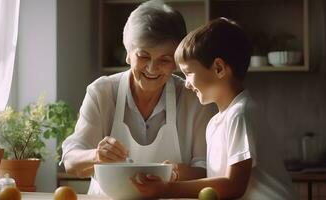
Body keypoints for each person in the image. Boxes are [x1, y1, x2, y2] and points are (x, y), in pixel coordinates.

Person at [131, 17, 297, 199]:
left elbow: (233, 186)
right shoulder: (216, 123)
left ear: (219, 68)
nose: (186, 84)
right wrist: (175, 174)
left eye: (189, 73)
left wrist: (167, 189)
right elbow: (215, 183)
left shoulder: (239, 113)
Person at [61, 0, 213, 195]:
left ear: (176, 61)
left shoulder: (192, 96)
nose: (151, 68)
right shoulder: (102, 92)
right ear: (128, 54)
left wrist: (175, 173)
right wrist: (96, 155)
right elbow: (71, 161)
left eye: (164, 60)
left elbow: (206, 169)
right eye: (143, 56)